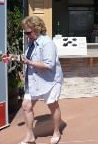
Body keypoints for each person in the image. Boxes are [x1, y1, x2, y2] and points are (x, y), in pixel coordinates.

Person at [11, 15, 63, 144]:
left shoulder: (47, 43)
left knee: (52, 106)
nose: (26, 35)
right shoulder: (32, 43)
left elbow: (48, 65)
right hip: (34, 79)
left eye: (28, 32)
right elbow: (29, 59)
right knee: (26, 106)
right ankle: (30, 136)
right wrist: (17, 57)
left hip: (49, 81)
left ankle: (56, 131)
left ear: (37, 29)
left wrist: (29, 62)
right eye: (25, 32)